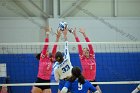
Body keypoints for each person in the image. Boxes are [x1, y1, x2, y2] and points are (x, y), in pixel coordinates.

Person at [31, 27, 61, 93]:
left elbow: (55, 48)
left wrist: (57, 38)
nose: (47, 51)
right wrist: (47, 33)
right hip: (39, 81)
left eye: (47, 51)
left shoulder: (51, 59)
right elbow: (45, 46)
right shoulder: (42, 58)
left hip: (47, 82)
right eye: (46, 51)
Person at [72, 28, 102, 93]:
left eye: (87, 49)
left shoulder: (92, 57)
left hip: (93, 80)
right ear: (82, 53)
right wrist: (75, 34)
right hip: (85, 81)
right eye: (84, 50)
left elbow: (90, 44)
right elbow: (79, 45)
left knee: (99, 92)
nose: (86, 50)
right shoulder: (82, 58)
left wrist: (84, 34)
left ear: (89, 51)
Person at [54, 27, 73, 93]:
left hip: (62, 82)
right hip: (71, 80)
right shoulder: (67, 59)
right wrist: (65, 35)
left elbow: (56, 79)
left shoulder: (56, 68)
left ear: (56, 60)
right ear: (62, 56)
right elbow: (66, 46)